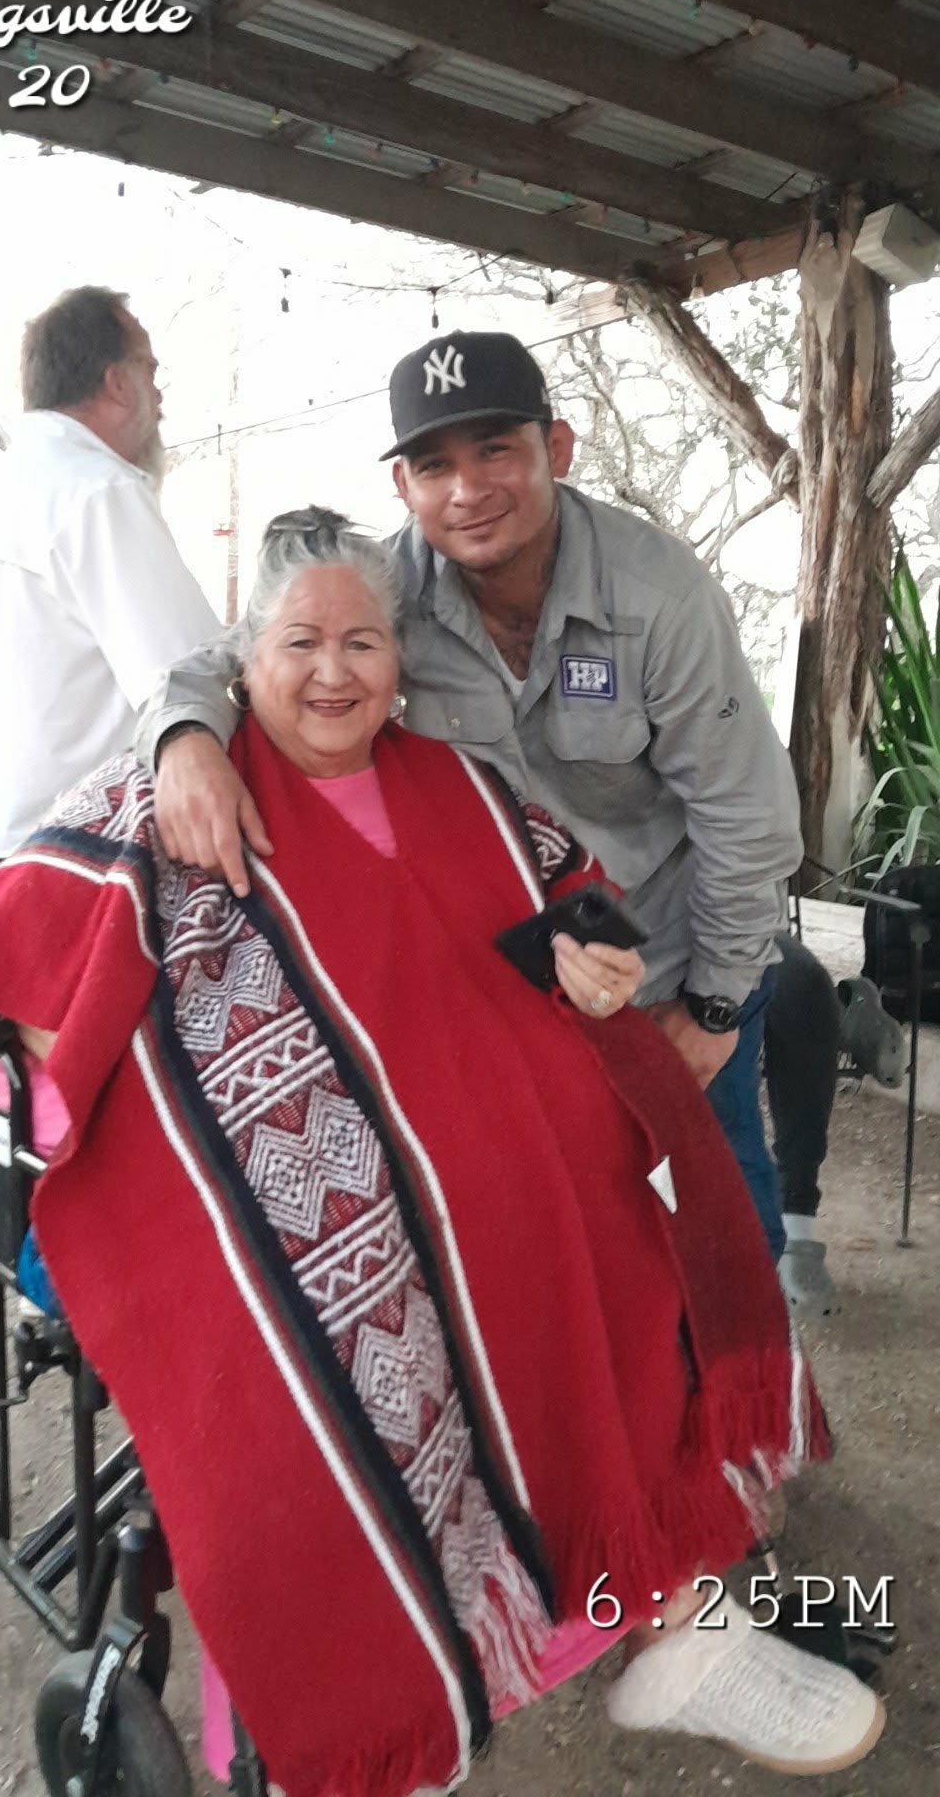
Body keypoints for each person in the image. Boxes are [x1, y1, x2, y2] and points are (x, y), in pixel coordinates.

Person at [0, 512, 882, 1797]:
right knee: (340, 1316)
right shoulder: (166, 794)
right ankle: (386, 1690)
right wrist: (94, 1078)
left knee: (630, 1239)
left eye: (362, 642)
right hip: (288, 1199)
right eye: (299, 642)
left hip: (496, 1165)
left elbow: (576, 917)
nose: (333, 671)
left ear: (400, 664)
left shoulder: (461, 787)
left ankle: (664, 1621)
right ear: (244, 658)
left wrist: (599, 969)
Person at [137, 332, 802, 1262]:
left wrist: (714, 1007)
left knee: (719, 1227)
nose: (467, 490)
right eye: (434, 466)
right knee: (569, 1233)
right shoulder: (390, 592)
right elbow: (234, 657)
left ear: (555, 449)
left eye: (495, 450)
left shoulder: (660, 597)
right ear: (403, 487)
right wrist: (185, 738)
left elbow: (747, 817)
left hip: (668, 959)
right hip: (513, 984)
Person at [0, 284, 220, 857]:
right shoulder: (95, 489)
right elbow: (195, 681)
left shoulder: (1, 491)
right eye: (150, 371)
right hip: (86, 856)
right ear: (117, 382)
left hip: (5, 851)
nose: (159, 396)